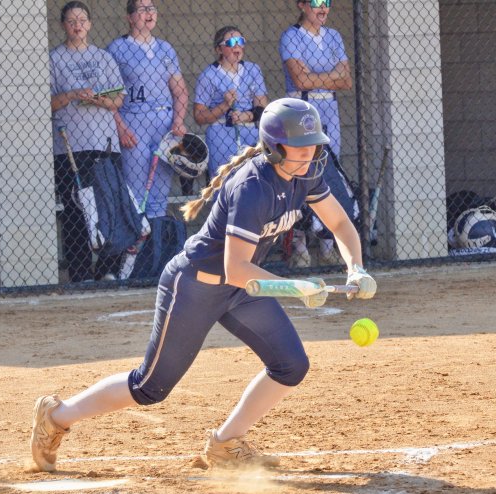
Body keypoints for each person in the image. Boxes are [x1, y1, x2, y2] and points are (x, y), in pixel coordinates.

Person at [30, 98, 377, 472]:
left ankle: (225, 444)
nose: (310, 155)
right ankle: (57, 416)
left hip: (241, 289)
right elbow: (236, 268)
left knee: (290, 364)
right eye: (301, 147)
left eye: (314, 146)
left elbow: (340, 225)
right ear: (275, 148)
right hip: (195, 286)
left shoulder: (306, 175)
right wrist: (295, 287)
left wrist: (355, 268)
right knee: (150, 386)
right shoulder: (253, 187)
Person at [50, 1, 125, 282]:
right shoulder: (54, 59)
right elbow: (47, 103)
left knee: (109, 206)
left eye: (82, 20)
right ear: (63, 26)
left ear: (90, 24)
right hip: (70, 147)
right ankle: (80, 272)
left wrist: (98, 100)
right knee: (75, 209)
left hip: (104, 143)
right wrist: (71, 95)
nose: (77, 25)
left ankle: (107, 268)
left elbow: (117, 99)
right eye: (71, 21)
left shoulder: (104, 58)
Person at [279, 0, 352, 266]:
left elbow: (346, 80)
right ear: (302, 5)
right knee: (303, 175)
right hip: (304, 108)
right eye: (316, 3)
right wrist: (330, 74)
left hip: (329, 108)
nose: (323, 8)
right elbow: (300, 80)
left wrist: (317, 77)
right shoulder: (291, 36)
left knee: (330, 174)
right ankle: (299, 245)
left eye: (327, 2)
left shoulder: (333, 36)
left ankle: (327, 245)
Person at [108, 0, 188, 221]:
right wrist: (121, 128)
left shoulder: (165, 48)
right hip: (133, 121)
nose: (149, 13)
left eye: (151, 8)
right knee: (135, 187)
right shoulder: (117, 49)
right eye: (142, 9)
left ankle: (156, 248)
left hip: (164, 123)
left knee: (161, 188)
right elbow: (107, 97)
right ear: (130, 17)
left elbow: (180, 91)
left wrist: (178, 121)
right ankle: (136, 244)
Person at [193, 26, 269, 182]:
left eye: (240, 41)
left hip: (250, 132)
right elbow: (199, 116)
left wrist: (245, 116)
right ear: (219, 49)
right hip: (221, 132)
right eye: (231, 42)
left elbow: (262, 109)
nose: (237, 45)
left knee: (255, 181)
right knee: (224, 183)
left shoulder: (253, 70)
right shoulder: (209, 75)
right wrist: (225, 105)